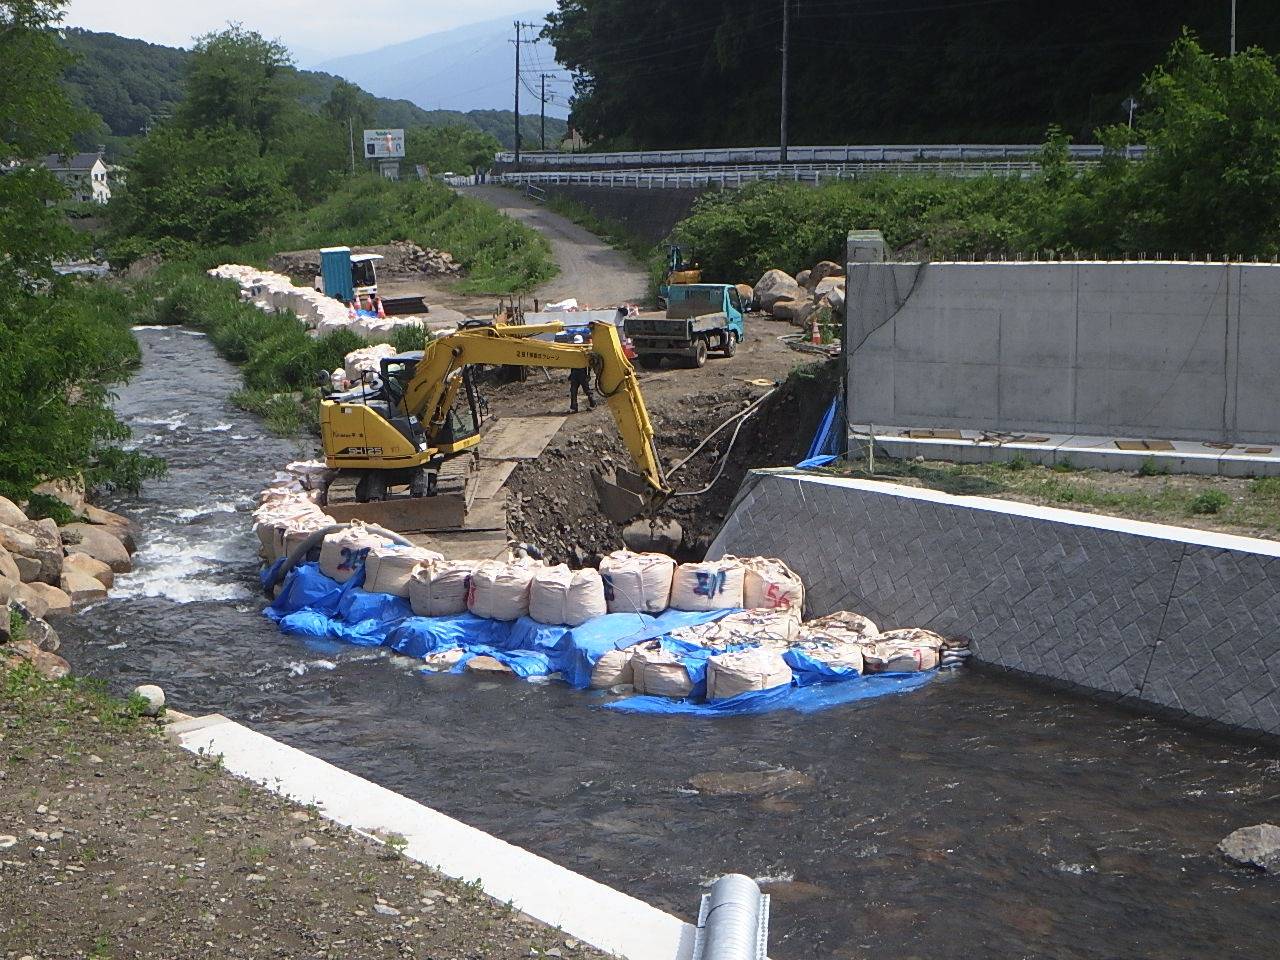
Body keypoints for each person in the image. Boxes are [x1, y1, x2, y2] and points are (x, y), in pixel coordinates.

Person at [568, 335, 595, 413]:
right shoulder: (572, 352)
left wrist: (588, 375)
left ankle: (593, 404)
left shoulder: (585, 352)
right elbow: (572, 364)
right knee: (573, 391)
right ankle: (574, 407)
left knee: (587, 390)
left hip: (582, 373)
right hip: (575, 374)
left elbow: (588, 365)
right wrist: (571, 374)